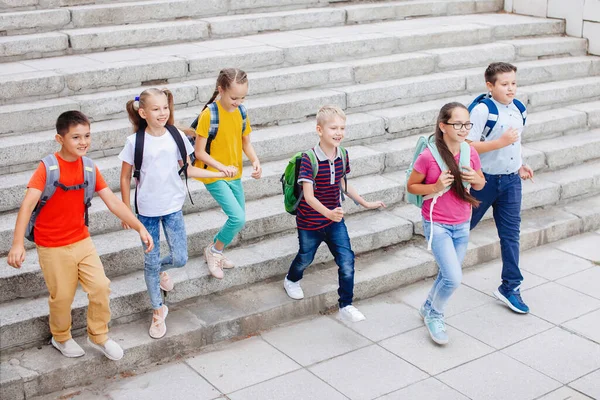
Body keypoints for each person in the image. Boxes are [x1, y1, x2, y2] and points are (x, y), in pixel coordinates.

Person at [7, 110, 154, 360]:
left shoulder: (89, 167)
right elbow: (27, 205)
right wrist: (17, 244)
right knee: (62, 296)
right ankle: (61, 336)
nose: (83, 142)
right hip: (52, 246)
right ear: (60, 139)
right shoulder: (48, 168)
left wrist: (139, 226)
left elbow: (113, 201)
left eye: (87, 136)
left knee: (100, 286)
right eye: (76, 137)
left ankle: (99, 335)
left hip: (81, 240)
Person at [120, 88, 226, 339]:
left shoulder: (176, 136)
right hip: (146, 212)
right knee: (150, 260)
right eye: (155, 109)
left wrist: (218, 173)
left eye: (165, 108)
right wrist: (125, 211)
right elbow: (124, 177)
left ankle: (157, 270)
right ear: (143, 112)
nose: (162, 113)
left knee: (180, 257)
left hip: (173, 209)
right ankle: (158, 310)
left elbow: (188, 170)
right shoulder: (135, 142)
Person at [282, 105, 386, 323]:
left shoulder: (343, 155)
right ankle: (291, 279)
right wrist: (328, 213)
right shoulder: (309, 160)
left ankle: (346, 304)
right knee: (305, 257)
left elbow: (343, 184)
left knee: (347, 260)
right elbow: (309, 197)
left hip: (335, 220)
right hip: (310, 222)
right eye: (333, 128)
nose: (339, 132)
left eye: (342, 128)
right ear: (319, 130)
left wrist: (365, 203)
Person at [407, 102, 485, 344]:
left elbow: (481, 183)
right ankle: (435, 315)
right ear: (443, 126)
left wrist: (476, 178)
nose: (464, 129)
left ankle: (428, 306)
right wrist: (436, 186)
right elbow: (411, 186)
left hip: (462, 223)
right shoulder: (428, 156)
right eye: (458, 124)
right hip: (437, 223)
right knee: (453, 277)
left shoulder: (470, 152)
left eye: (467, 124)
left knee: (449, 274)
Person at [467, 62, 534, 314]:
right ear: (490, 86)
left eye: (513, 83)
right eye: (504, 84)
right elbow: (467, 145)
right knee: (463, 227)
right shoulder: (482, 110)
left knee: (510, 235)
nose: (511, 89)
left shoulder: (519, 108)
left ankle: (511, 286)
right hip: (482, 181)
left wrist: (520, 165)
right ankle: (447, 270)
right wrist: (499, 142)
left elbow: (516, 142)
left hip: (510, 181)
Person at [193, 68, 262, 279]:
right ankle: (214, 251)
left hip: (234, 174)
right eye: (234, 97)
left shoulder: (241, 111)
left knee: (239, 220)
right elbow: (199, 152)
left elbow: (245, 142)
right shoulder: (209, 115)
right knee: (237, 217)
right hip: (214, 176)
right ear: (220, 90)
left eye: (242, 97)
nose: (238, 102)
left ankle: (216, 250)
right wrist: (220, 167)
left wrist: (255, 160)